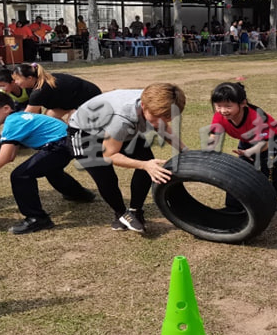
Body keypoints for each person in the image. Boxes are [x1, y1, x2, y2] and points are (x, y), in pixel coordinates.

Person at [0, 91, 94, 234]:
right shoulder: (18, 118)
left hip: (60, 144)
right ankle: (79, 194)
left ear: (6, 108)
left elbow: (5, 158)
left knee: (20, 175)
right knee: (50, 169)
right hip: (69, 141)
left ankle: (37, 218)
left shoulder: (12, 123)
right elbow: (10, 155)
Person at [67, 83, 188, 233]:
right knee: (105, 176)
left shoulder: (155, 100)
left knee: (147, 160)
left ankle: (135, 210)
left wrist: (185, 151)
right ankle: (121, 213)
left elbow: (162, 127)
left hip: (114, 126)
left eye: (168, 118)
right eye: (157, 117)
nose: (161, 123)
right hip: (85, 133)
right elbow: (110, 155)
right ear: (143, 106)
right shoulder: (121, 119)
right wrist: (144, 165)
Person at [209, 82, 277, 212]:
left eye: (228, 106)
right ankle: (233, 208)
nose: (223, 110)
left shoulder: (257, 117)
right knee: (238, 172)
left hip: (272, 142)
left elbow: (265, 144)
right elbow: (215, 135)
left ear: (243, 103)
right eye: (218, 106)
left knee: (269, 176)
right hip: (248, 142)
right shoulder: (220, 116)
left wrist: (249, 152)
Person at [11, 62, 102, 121]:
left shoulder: (40, 90)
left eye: (17, 79)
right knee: (50, 117)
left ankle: (72, 140)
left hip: (89, 96)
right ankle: (64, 137)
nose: (15, 82)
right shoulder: (30, 86)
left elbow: (27, 116)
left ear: (30, 78)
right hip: (70, 98)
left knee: (73, 121)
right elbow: (36, 113)